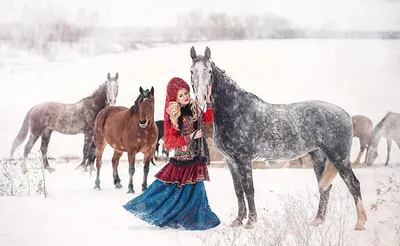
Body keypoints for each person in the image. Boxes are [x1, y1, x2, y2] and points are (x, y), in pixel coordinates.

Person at [123, 77, 220, 230]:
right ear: (175, 98)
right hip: (182, 159)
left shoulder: (194, 107)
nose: (185, 97)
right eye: (181, 95)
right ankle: (150, 208)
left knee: (196, 191)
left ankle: (197, 218)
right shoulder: (174, 115)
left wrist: (208, 100)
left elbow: (208, 118)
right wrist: (190, 137)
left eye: (186, 93)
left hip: (196, 158)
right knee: (170, 192)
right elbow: (170, 142)